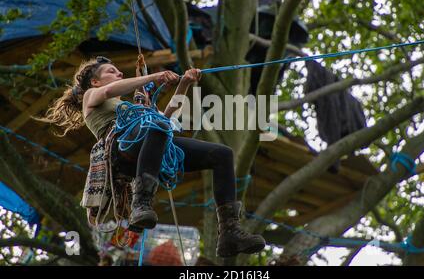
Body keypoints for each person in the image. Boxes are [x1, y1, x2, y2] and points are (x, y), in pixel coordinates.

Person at [37, 56, 265, 257]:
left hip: (150, 138)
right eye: (111, 71)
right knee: (155, 126)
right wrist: (153, 77)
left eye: (118, 71)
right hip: (121, 148)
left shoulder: (133, 107)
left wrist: (184, 83)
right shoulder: (92, 96)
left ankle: (229, 231)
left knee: (222, 154)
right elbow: (109, 92)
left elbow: (166, 116)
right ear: (95, 81)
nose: (119, 73)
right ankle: (141, 203)